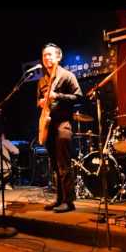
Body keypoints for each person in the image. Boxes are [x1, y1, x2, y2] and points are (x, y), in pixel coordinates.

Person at [37, 43, 83, 213]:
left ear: (59, 56)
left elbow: (78, 96)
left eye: (49, 54)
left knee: (64, 164)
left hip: (63, 124)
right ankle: (58, 199)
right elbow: (38, 101)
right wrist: (41, 102)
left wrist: (58, 96)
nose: (46, 58)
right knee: (54, 165)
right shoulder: (42, 80)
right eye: (44, 55)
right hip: (48, 125)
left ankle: (69, 201)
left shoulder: (67, 75)